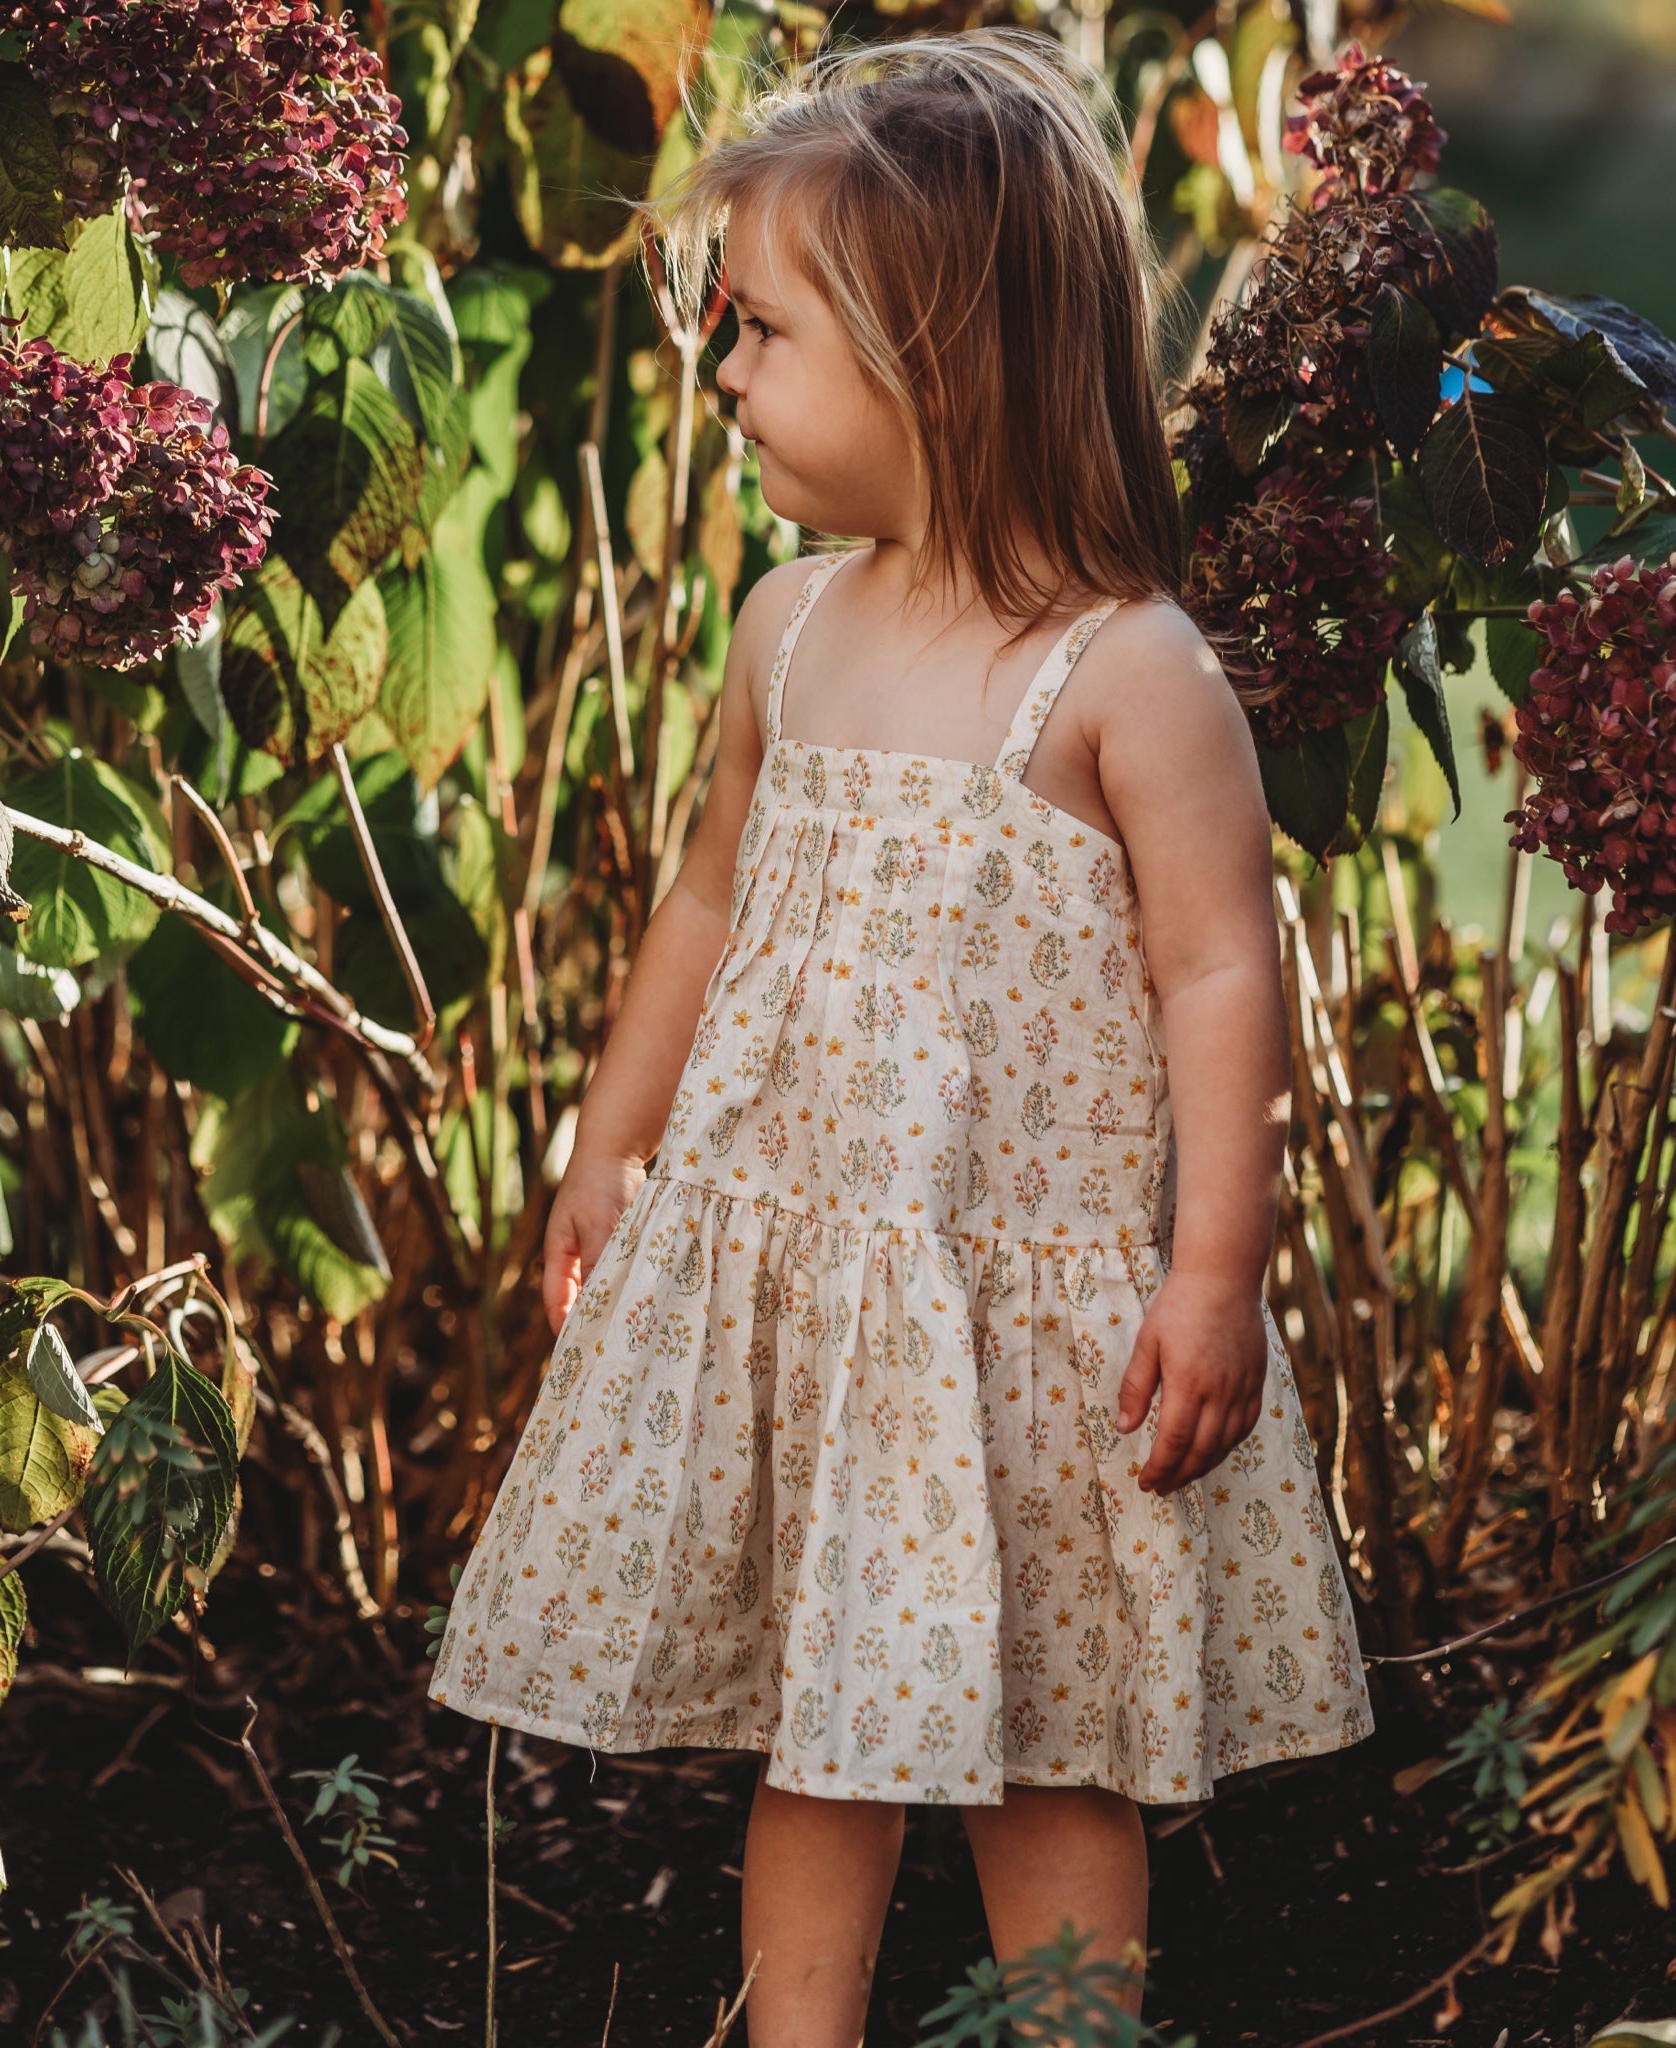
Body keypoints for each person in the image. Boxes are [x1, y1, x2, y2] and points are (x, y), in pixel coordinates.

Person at [429, 27, 1375, 2044]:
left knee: (1054, 1749)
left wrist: (1212, 1271)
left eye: (762, 332)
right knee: (818, 1731)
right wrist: (613, 1139)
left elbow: (1222, 972)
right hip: (812, 1290)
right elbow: (705, 898)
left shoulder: (1126, 672)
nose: (728, 377)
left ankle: (1064, 2030)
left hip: (1026, 1328)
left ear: (932, 358)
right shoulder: (792, 625)